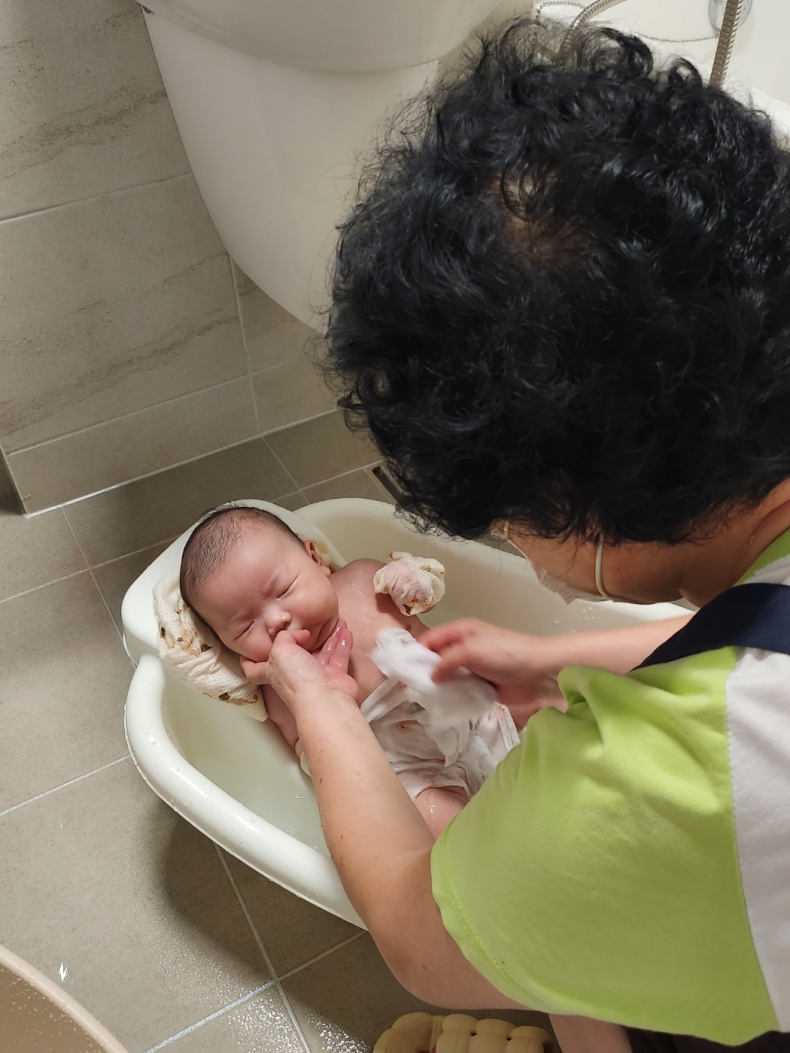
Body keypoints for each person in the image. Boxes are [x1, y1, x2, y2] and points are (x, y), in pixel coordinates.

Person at [241, 19, 790, 1053]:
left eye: (503, 521)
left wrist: (317, 704)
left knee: (577, 979)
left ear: (568, 499)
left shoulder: (645, 804)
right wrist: (559, 657)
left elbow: (421, 930)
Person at [178, 505, 520, 837]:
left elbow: (423, 598)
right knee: (444, 829)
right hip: (413, 771)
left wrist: (416, 581)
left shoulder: (364, 579)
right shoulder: (280, 686)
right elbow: (314, 754)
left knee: (534, 718)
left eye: (283, 591)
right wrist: (313, 709)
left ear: (315, 559)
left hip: (473, 709)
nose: (276, 620)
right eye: (245, 626)